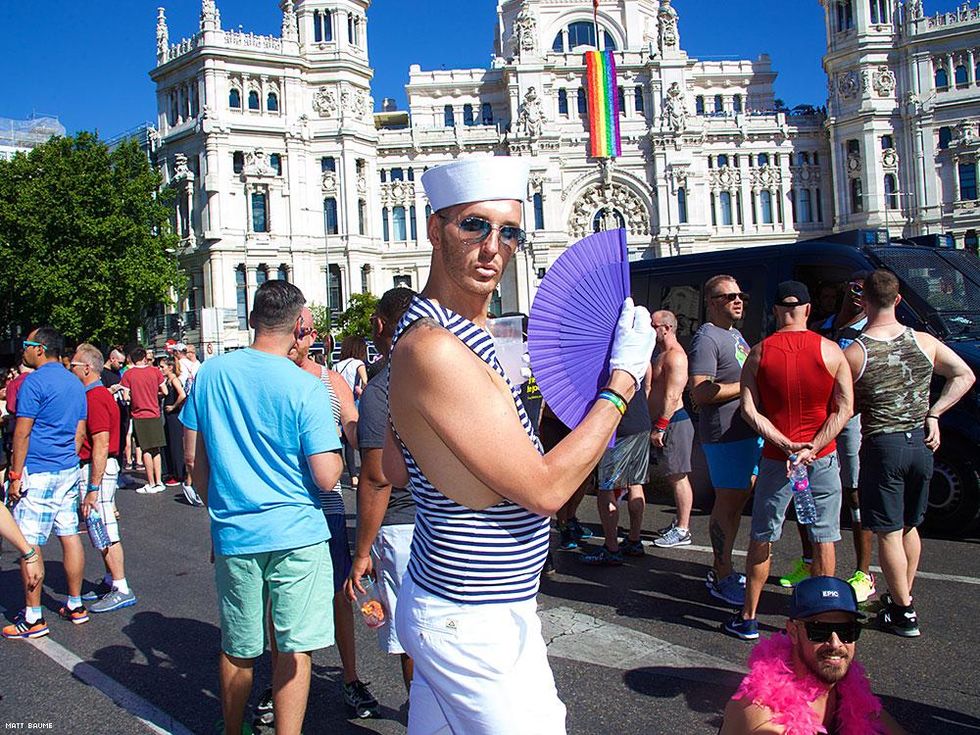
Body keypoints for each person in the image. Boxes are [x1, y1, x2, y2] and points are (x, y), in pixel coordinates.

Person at [383, 156, 656, 734]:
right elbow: (546, 490)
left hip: (473, 603)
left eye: (508, 232)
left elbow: (394, 466)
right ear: (435, 229)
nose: (493, 247)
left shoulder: (462, 335)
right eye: (473, 226)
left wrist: (459, 465)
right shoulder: (434, 347)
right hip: (469, 617)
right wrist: (622, 383)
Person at [180, 281, 344, 735]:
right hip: (297, 532)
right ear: (297, 327)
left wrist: (218, 516)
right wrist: (340, 452)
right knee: (293, 648)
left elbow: (196, 461)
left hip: (235, 530)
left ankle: (233, 730)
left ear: (253, 320)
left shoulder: (211, 373)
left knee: (238, 646)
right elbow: (326, 476)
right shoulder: (307, 385)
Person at [843, 269, 974, 637]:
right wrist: (934, 413)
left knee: (886, 531)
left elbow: (844, 407)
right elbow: (963, 375)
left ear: (864, 301)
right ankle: (903, 594)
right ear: (898, 299)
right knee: (909, 526)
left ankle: (903, 611)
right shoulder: (924, 341)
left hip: (883, 446)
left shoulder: (857, 351)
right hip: (920, 442)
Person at [726, 282, 853, 641]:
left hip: (776, 458)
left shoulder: (759, 352)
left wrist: (783, 442)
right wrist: (812, 447)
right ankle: (824, 618)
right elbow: (844, 408)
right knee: (824, 536)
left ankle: (749, 616)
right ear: (809, 311)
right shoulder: (831, 351)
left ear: (775, 311)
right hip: (820, 456)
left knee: (763, 536)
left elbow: (748, 409)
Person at [269, 306, 378, 721]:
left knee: (338, 595)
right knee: (277, 600)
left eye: (310, 331)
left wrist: (367, 435)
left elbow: (350, 423)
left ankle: (349, 677)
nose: (305, 338)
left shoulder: (329, 381)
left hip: (325, 505)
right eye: (301, 330)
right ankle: (279, 681)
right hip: (280, 504)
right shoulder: (269, 376)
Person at [345, 286, 417, 693]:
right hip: (453, 522)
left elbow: (376, 479)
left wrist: (360, 553)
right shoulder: (448, 373)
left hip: (402, 528)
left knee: (413, 640)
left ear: (379, 325)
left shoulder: (381, 389)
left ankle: (423, 717)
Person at [720, 576, 905, 734]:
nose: (835, 643)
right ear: (792, 632)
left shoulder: (850, 691)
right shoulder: (764, 716)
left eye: (847, 630)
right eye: (819, 631)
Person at [2, 327, 88, 639]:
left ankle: (34, 615)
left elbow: (22, 432)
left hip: (38, 470)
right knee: (69, 534)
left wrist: (14, 474)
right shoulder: (74, 382)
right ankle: (76, 604)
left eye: (26, 344)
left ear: (40, 349)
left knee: (29, 542)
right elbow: (80, 431)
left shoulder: (32, 382)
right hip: (67, 467)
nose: (22, 349)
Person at [689, 275, 761, 607]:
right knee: (727, 505)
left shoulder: (734, 335)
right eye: (728, 296)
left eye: (740, 294)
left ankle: (726, 568)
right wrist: (748, 386)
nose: (738, 300)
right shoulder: (707, 338)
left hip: (744, 433)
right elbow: (701, 391)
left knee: (736, 503)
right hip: (724, 435)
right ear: (711, 302)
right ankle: (720, 573)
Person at [806, 273, 875, 602]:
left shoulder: (869, 333)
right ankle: (809, 563)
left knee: (855, 492)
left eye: (865, 291)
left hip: (850, 421)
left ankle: (863, 573)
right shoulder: (822, 327)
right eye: (853, 289)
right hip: (816, 420)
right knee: (807, 491)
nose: (857, 296)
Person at [69, 344, 136, 613]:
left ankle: (121, 586)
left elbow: (101, 442)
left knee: (104, 525)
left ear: (87, 368)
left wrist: (93, 487)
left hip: (99, 468)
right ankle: (111, 580)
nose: (69, 368)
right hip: (98, 466)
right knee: (98, 525)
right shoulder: (94, 394)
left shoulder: (95, 397)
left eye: (73, 365)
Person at [581, 365, 653, 565]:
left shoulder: (600, 358)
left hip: (618, 424)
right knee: (635, 483)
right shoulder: (633, 350)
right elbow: (647, 382)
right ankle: (634, 539)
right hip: (640, 420)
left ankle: (611, 548)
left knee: (606, 487)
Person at [647, 310, 697, 548]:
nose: (650, 329)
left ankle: (683, 530)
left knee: (678, 476)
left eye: (653, 325)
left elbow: (672, 394)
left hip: (674, 421)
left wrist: (661, 426)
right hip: (667, 422)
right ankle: (679, 521)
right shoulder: (662, 354)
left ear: (665, 328)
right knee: (672, 474)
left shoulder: (676, 357)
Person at [120, 347, 168, 494]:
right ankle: (159, 481)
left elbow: (126, 397)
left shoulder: (128, 374)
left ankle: (151, 482)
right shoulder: (155, 372)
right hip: (154, 413)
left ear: (132, 359)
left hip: (139, 414)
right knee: (156, 449)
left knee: (145, 449)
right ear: (144, 357)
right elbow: (164, 391)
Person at [159, 357, 187, 487]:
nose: (160, 369)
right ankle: (171, 472)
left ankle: (179, 474)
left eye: (162, 367)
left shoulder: (175, 380)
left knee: (176, 445)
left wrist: (174, 406)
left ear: (170, 367)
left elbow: (182, 395)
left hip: (174, 416)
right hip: (169, 416)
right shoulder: (167, 380)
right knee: (169, 443)